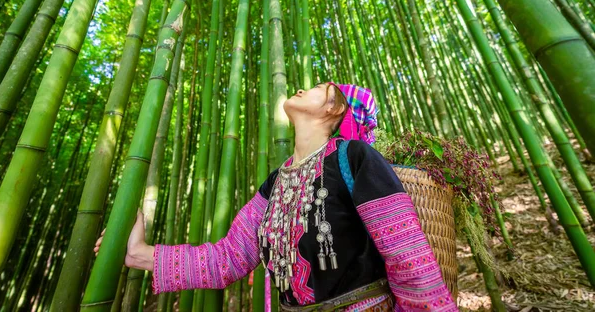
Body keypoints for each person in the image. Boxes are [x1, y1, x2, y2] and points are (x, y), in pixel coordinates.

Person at [94, 82, 458, 311]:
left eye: (319, 87)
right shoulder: (274, 183)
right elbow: (228, 259)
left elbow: (408, 257)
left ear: (334, 108)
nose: (304, 88)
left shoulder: (355, 158)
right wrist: (140, 254)